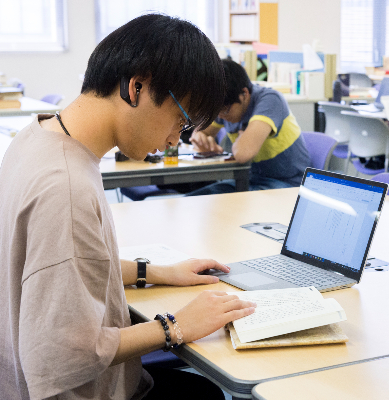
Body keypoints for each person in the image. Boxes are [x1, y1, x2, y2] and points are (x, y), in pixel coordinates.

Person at [0, 15, 256, 400]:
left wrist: (155, 272)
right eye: (181, 123)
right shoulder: (65, 188)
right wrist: (176, 325)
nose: (175, 142)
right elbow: (62, 355)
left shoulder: (36, 137)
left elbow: (58, 264)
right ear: (136, 86)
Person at [187, 59, 310, 196]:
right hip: (249, 180)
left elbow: (243, 154)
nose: (221, 116)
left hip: (287, 184)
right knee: (194, 200)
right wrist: (200, 139)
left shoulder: (270, 100)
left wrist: (239, 143)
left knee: (229, 208)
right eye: (216, 111)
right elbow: (200, 132)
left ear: (244, 94)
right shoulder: (225, 105)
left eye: (225, 110)